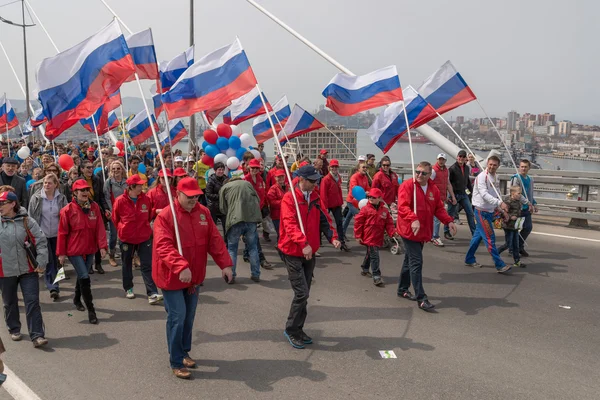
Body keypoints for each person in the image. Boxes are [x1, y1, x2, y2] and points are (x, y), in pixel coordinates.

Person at [152, 177, 233, 379]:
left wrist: (226, 264)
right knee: (177, 316)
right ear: (177, 194)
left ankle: (184, 351)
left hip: (194, 277)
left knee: (188, 316)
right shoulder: (166, 216)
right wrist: (180, 266)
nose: (193, 200)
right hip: (171, 276)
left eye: (196, 196)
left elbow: (214, 240)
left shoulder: (203, 213)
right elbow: (163, 246)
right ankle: (176, 360)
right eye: (189, 196)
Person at [279, 165, 340, 349]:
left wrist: (333, 237)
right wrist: (303, 243)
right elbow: (289, 225)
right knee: (301, 293)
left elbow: (324, 219)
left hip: (309, 251)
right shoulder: (289, 198)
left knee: (305, 294)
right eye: (312, 181)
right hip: (292, 251)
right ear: (301, 180)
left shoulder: (314, 197)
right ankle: (291, 330)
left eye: (316, 181)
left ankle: (298, 328)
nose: (315, 184)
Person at [397, 162, 457, 311]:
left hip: (423, 232)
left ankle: (402, 289)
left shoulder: (433, 189)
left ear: (430, 174)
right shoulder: (407, 186)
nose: (419, 175)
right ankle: (421, 299)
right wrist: (413, 218)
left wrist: (449, 221)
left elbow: (439, 209)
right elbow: (402, 207)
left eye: (423, 173)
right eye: (417, 172)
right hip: (409, 231)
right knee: (416, 262)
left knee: (409, 260)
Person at [0, 191, 49, 347]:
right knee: (9, 302)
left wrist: (41, 261)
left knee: (32, 301)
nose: (0, 206)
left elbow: (41, 241)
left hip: (28, 270)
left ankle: (37, 335)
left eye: (3, 203)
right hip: (5, 271)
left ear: (13, 204)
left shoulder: (28, 221)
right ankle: (14, 328)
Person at [57, 179, 108, 324]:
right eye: (82, 190)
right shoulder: (67, 210)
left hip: (90, 249)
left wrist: (102, 246)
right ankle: (91, 310)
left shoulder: (94, 207)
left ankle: (76, 299)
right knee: (85, 277)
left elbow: (100, 227)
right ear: (75, 193)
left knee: (82, 276)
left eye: (87, 189)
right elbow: (62, 233)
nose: (85, 192)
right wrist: (61, 253)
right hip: (74, 250)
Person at [112, 175, 163, 303]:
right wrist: (122, 228)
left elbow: (149, 215)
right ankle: (128, 288)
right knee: (127, 264)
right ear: (131, 187)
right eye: (139, 185)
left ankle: (152, 293)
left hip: (144, 237)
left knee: (147, 264)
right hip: (126, 238)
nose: (142, 187)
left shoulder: (145, 199)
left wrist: (154, 213)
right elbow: (115, 218)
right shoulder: (120, 201)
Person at [464, 156, 511, 273]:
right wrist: (500, 203)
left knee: (477, 236)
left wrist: (501, 210)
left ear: (498, 166)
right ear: (487, 164)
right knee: (490, 238)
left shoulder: (496, 177)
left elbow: (497, 194)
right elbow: (484, 194)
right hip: (481, 212)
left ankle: (469, 258)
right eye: (490, 164)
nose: (492, 167)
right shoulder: (482, 177)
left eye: (495, 165)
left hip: (490, 211)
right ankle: (499, 264)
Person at [28, 173, 68, 300]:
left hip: (58, 234)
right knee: (50, 261)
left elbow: (67, 216)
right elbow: (31, 217)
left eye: (49, 183)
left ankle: (56, 281)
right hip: (43, 235)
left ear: (56, 185)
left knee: (58, 261)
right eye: (45, 182)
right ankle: (53, 287)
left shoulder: (61, 198)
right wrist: (33, 234)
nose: (46, 185)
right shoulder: (36, 198)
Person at [219, 176, 262, 282]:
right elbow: (258, 199)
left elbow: (222, 208)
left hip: (234, 220)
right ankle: (255, 274)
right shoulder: (248, 184)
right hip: (251, 219)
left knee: (232, 249)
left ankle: (231, 276)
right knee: (253, 248)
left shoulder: (225, 187)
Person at [354, 188, 395, 286]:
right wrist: (358, 236)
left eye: (373, 197)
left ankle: (365, 268)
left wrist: (392, 233)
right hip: (368, 236)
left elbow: (388, 223)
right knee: (375, 256)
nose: (371, 198)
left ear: (380, 198)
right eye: (369, 197)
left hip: (378, 237)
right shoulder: (365, 209)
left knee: (371, 253)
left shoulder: (384, 211)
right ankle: (376, 276)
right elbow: (358, 223)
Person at [81, 159, 110, 274]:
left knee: (98, 237)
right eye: (87, 167)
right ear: (82, 169)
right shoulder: (78, 180)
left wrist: (106, 208)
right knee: (87, 239)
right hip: (84, 212)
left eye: (91, 167)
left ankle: (98, 263)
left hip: (97, 211)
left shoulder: (97, 179)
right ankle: (88, 265)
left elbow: (101, 196)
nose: (90, 169)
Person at [444, 150, 475, 241]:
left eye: (463, 157)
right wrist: (450, 195)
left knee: (470, 213)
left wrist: (471, 192)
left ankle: (474, 233)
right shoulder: (452, 168)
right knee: (451, 214)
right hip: (454, 194)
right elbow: (448, 183)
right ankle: (446, 231)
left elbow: (467, 181)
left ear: (465, 158)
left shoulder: (467, 168)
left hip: (463, 193)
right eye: (459, 156)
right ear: (457, 157)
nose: (461, 158)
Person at [320, 159, 349, 252]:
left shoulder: (338, 177)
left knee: (339, 223)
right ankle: (318, 240)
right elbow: (323, 194)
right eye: (333, 167)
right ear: (329, 168)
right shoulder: (326, 179)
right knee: (323, 222)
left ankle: (342, 241)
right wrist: (324, 207)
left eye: (336, 166)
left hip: (336, 204)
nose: (334, 168)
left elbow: (339, 191)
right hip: (328, 204)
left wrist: (341, 202)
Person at [510, 159, 537, 257]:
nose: (523, 168)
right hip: (517, 208)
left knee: (528, 227)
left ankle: (519, 246)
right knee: (515, 229)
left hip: (527, 208)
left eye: (525, 167)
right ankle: (513, 248)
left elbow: (530, 193)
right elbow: (515, 193)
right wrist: (528, 202)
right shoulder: (516, 178)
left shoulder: (530, 179)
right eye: (522, 166)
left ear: (529, 168)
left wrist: (534, 203)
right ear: (519, 167)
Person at [104, 160, 128, 267]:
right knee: (113, 236)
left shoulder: (127, 182)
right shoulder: (108, 182)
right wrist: (112, 210)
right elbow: (107, 198)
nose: (116, 171)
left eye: (118, 168)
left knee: (126, 235)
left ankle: (129, 256)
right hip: (114, 212)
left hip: (126, 213)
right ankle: (112, 256)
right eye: (113, 169)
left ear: (122, 169)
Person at [430, 153, 457, 245]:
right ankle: (435, 237)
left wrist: (452, 196)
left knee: (434, 218)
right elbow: (429, 183)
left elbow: (448, 184)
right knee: (436, 218)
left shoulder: (446, 171)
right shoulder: (433, 171)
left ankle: (432, 235)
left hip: (442, 197)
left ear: (445, 161)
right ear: (437, 160)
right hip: (434, 198)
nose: (441, 161)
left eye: (443, 160)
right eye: (439, 159)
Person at [497, 186, 527, 268]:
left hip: (515, 226)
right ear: (513, 193)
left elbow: (518, 211)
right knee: (508, 244)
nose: (520, 195)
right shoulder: (508, 201)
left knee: (516, 244)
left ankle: (517, 261)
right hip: (508, 226)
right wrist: (510, 217)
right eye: (519, 193)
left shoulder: (518, 201)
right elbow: (502, 213)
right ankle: (496, 253)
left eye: (521, 193)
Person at [342, 162, 370, 240]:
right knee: (359, 217)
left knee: (348, 218)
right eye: (363, 167)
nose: (365, 169)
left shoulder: (365, 177)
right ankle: (360, 235)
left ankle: (342, 233)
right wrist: (364, 192)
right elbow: (355, 189)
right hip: (352, 201)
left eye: (366, 167)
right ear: (358, 169)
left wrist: (370, 192)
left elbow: (368, 187)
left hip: (359, 202)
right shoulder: (354, 177)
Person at [204, 162, 227, 235]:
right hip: (213, 207)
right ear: (215, 170)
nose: (221, 171)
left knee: (226, 227)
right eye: (219, 170)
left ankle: (227, 243)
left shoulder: (226, 179)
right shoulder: (211, 180)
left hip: (223, 207)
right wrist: (221, 196)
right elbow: (208, 194)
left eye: (222, 170)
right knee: (212, 228)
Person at [266, 169, 288, 242]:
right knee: (280, 233)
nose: (281, 178)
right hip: (277, 215)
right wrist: (284, 202)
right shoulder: (273, 188)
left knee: (286, 233)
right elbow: (272, 202)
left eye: (282, 176)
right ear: (275, 178)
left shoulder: (287, 187)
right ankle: (281, 248)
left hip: (286, 214)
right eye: (279, 177)